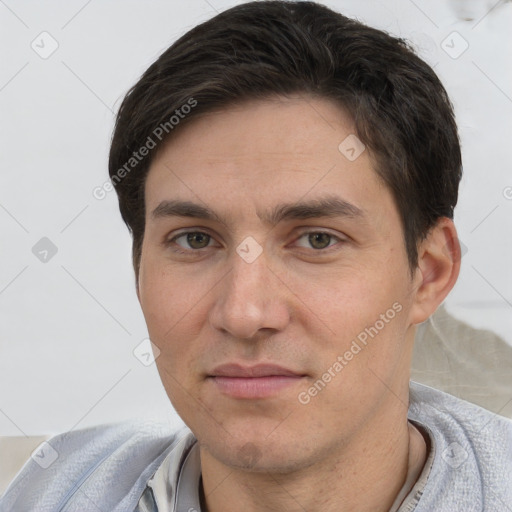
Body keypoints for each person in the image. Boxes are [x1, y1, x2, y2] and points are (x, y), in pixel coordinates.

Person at [1, 1, 511, 511]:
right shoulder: (54, 491)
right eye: (195, 240)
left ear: (428, 274)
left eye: (317, 240)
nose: (244, 313)